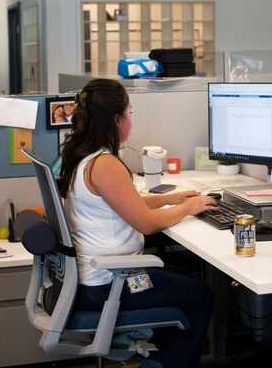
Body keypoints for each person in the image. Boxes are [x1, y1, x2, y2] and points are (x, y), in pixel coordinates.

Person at [58, 78, 217, 368]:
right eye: (130, 113)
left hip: (97, 279)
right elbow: (146, 224)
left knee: (181, 280)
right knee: (199, 297)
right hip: (111, 285)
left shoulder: (83, 157)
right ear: (116, 119)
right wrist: (189, 207)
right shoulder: (105, 164)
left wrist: (171, 199)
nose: (131, 119)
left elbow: (123, 202)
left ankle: (160, 357)